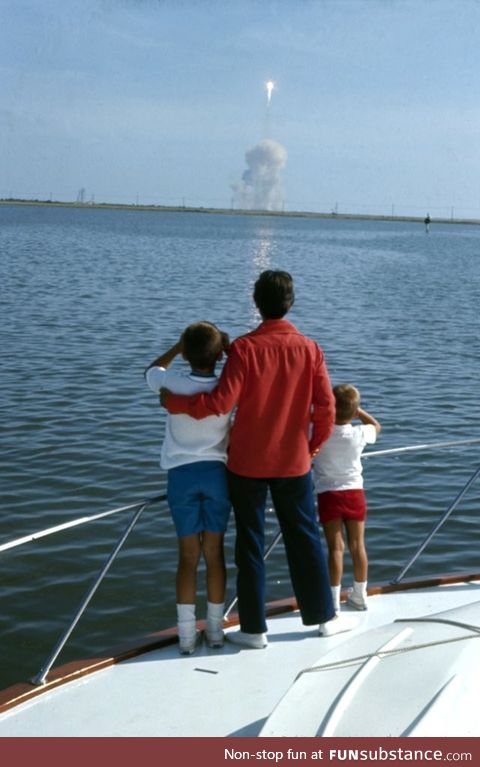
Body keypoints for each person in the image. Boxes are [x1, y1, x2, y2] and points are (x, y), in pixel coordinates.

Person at [161, 270, 357, 647]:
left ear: (257, 302)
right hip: (293, 463)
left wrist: (175, 402)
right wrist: (311, 448)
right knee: (305, 539)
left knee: (249, 543)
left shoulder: (244, 350)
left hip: (246, 464)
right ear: (291, 302)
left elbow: (219, 404)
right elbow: (327, 409)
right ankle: (323, 618)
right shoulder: (310, 349)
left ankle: (253, 629)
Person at [145, 321, 232, 654]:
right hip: (216, 476)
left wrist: (176, 348)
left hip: (180, 477)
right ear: (217, 354)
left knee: (187, 558)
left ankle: (185, 637)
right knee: (215, 555)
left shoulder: (171, 381)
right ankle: (214, 632)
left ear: (187, 351)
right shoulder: (227, 385)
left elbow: (151, 370)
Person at [313, 384, 381, 613]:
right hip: (354, 493)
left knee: (335, 548)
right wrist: (358, 411)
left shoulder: (320, 432)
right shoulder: (358, 433)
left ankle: (332, 601)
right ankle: (360, 595)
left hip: (328, 494)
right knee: (357, 545)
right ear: (353, 412)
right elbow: (376, 427)